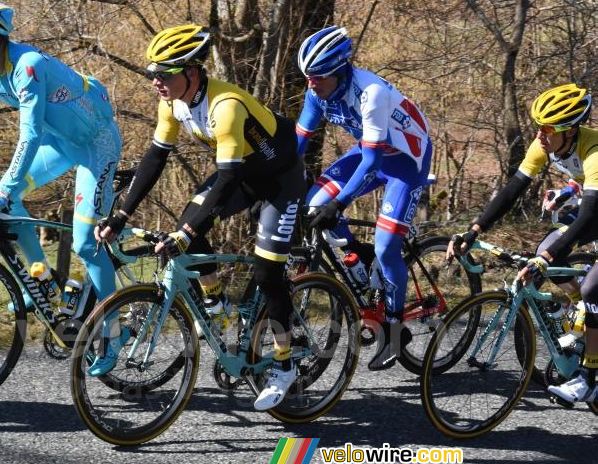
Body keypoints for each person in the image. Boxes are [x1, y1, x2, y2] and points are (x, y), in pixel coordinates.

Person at [96, 24, 305, 410]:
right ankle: (216, 302)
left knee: (266, 271)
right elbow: (156, 157)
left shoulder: (225, 107)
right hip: (241, 173)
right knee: (185, 229)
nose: (156, 81)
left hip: (279, 180)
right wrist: (122, 215)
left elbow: (228, 176)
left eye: (165, 73)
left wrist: (189, 231)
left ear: (192, 72)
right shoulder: (172, 102)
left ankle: (284, 362)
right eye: (152, 73)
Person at [0, 0, 122, 369]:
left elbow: (29, 134)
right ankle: (43, 281)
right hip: (61, 144)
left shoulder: (27, 66)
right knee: (3, 198)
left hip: (97, 146)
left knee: (85, 242)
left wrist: (3, 189)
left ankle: (113, 332)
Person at [295, 26, 433, 371]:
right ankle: (360, 256)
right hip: (371, 150)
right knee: (313, 204)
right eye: (308, 76)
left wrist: (338, 204)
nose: (312, 84)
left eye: (319, 76)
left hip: (405, 161)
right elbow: (298, 144)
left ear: (341, 70)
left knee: (387, 246)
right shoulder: (317, 91)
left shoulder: (371, 93)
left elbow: (371, 164)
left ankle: (394, 328)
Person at [450, 83, 597, 404]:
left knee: (592, 288)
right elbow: (513, 188)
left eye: (546, 129)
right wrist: (474, 230)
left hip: (594, 211)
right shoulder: (545, 144)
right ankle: (581, 313)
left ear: (569, 131)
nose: (540, 136)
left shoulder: (594, 150)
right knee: (554, 258)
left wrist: (544, 258)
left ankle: (590, 376)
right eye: (538, 128)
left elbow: (588, 217)